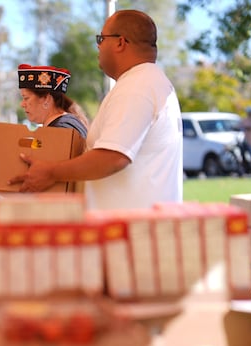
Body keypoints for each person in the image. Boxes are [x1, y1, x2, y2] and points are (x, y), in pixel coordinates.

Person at [9, 9, 182, 210]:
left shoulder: (136, 87)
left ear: (120, 43)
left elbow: (113, 157)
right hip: (135, 225)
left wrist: (51, 172)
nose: (98, 46)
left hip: (130, 229)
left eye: (101, 38)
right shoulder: (147, 81)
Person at [17, 64, 89, 137]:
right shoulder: (66, 124)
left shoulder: (60, 129)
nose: (22, 104)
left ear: (46, 99)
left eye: (26, 98)